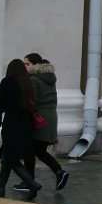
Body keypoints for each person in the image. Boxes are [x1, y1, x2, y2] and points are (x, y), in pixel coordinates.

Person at [0, 59, 42, 199]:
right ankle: (0, 188)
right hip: (26, 125)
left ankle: (32, 184)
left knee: (11, 158)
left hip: (12, 125)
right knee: (7, 156)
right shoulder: (27, 83)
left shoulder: (8, 82)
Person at [20, 54, 69, 192]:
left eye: (27, 64)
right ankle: (55, 173)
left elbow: (31, 101)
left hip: (38, 119)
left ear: (35, 65)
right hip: (49, 118)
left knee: (32, 150)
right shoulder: (48, 78)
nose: (25, 66)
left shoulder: (34, 79)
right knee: (37, 150)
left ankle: (32, 181)